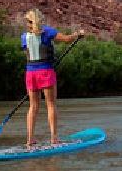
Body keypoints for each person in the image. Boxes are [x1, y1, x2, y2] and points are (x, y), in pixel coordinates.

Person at [21, 8, 83, 147]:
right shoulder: (47, 32)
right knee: (51, 105)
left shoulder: (24, 37)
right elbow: (67, 39)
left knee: (33, 106)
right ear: (40, 19)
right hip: (45, 72)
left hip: (30, 73)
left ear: (29, 22)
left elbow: (28, 55)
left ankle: (30, 139)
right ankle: (54, 138)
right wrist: (77, 34)